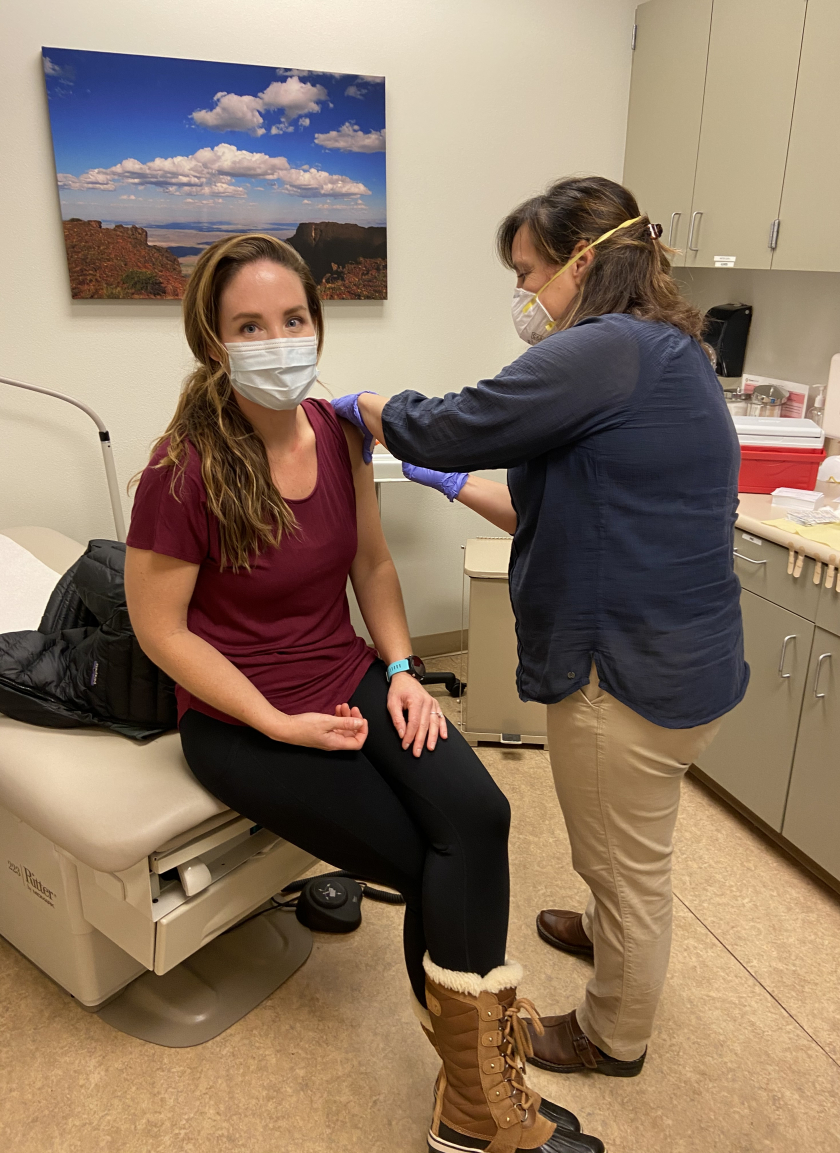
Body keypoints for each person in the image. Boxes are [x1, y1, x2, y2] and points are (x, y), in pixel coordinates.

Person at [124, 233, 603, 1153]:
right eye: (250, 325)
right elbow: (163, 630)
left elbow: (373, 566)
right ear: (213, 341)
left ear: (318, 323)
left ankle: (470, 1080)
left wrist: (400, 672)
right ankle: (475, 1106)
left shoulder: (338, 432)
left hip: (348, 674)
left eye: (293, 318)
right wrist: (272, 720)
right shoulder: (180, 470)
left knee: (481, 816)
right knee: (434, 857)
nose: (278, 339)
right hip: (243, 719)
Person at [335, 175, 747, 1079]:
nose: (524, 294)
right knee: (637, 836)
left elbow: (445, 425)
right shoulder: (674, 351)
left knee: (625, 867)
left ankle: (611, 1035)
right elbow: (563, 515)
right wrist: (456, 488)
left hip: (627, 677)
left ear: (584, 260)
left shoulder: (601, 350)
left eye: (528, 272)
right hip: (693, 657)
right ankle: (606, 934)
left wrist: (369, 411)